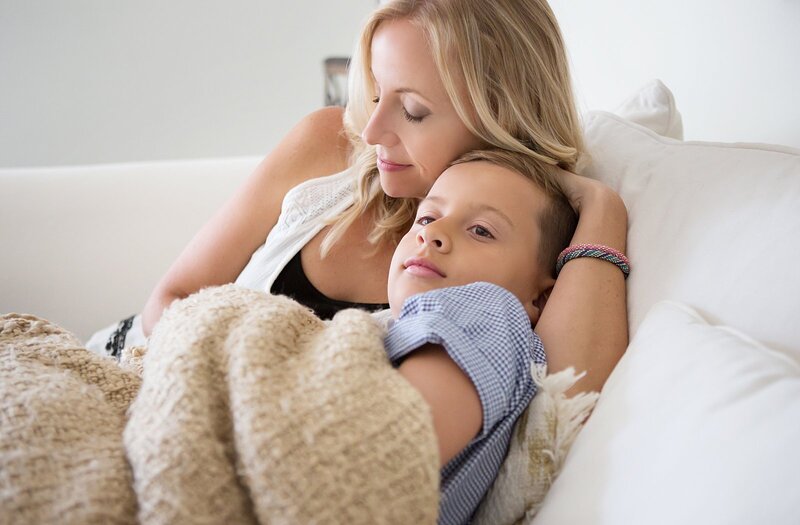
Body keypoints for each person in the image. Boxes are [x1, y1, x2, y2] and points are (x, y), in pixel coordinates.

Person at [89, 0, 628, 511]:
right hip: (140, 377)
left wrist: (601, 207)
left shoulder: (522, 242)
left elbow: (557, 406)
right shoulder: (327, 146)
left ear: (500, 119)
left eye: (413, 110)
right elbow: (175, 296)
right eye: (375, 93)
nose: (371, 131)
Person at [382, 147, 583, 524]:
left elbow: (383, 455)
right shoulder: (394, 325)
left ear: (539, 296)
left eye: (481, 230)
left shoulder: (489, 309)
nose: (433, 234)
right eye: (427, 216)